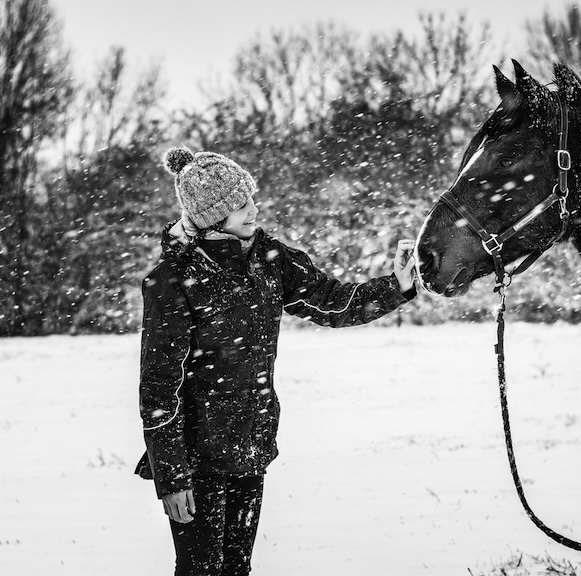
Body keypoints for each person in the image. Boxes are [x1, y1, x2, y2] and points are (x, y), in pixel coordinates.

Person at [135, 146, 418, 575]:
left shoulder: (268, 258)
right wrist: (171, 478)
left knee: (237, 570)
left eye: (249, 197)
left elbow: (330, 303)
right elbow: (159, 387)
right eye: (239, 203)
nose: (253, 208)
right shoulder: (172, 280)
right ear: (212, 217)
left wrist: (395, 287)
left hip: (250, 442)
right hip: (196, 458)